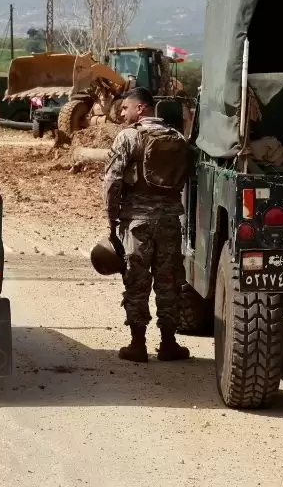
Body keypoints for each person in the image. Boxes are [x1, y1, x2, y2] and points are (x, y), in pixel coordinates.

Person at [101, 87, 191, 363]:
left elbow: (112, 180)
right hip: (169, 221)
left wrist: (112, 217)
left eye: (125, 108)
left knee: (136, 281)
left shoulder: (128, 137)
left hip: (137, 222)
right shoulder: (177, 137)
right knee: (169, 282)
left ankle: (137, 344)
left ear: (141, 108)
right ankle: (168, 344)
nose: (122, 112)